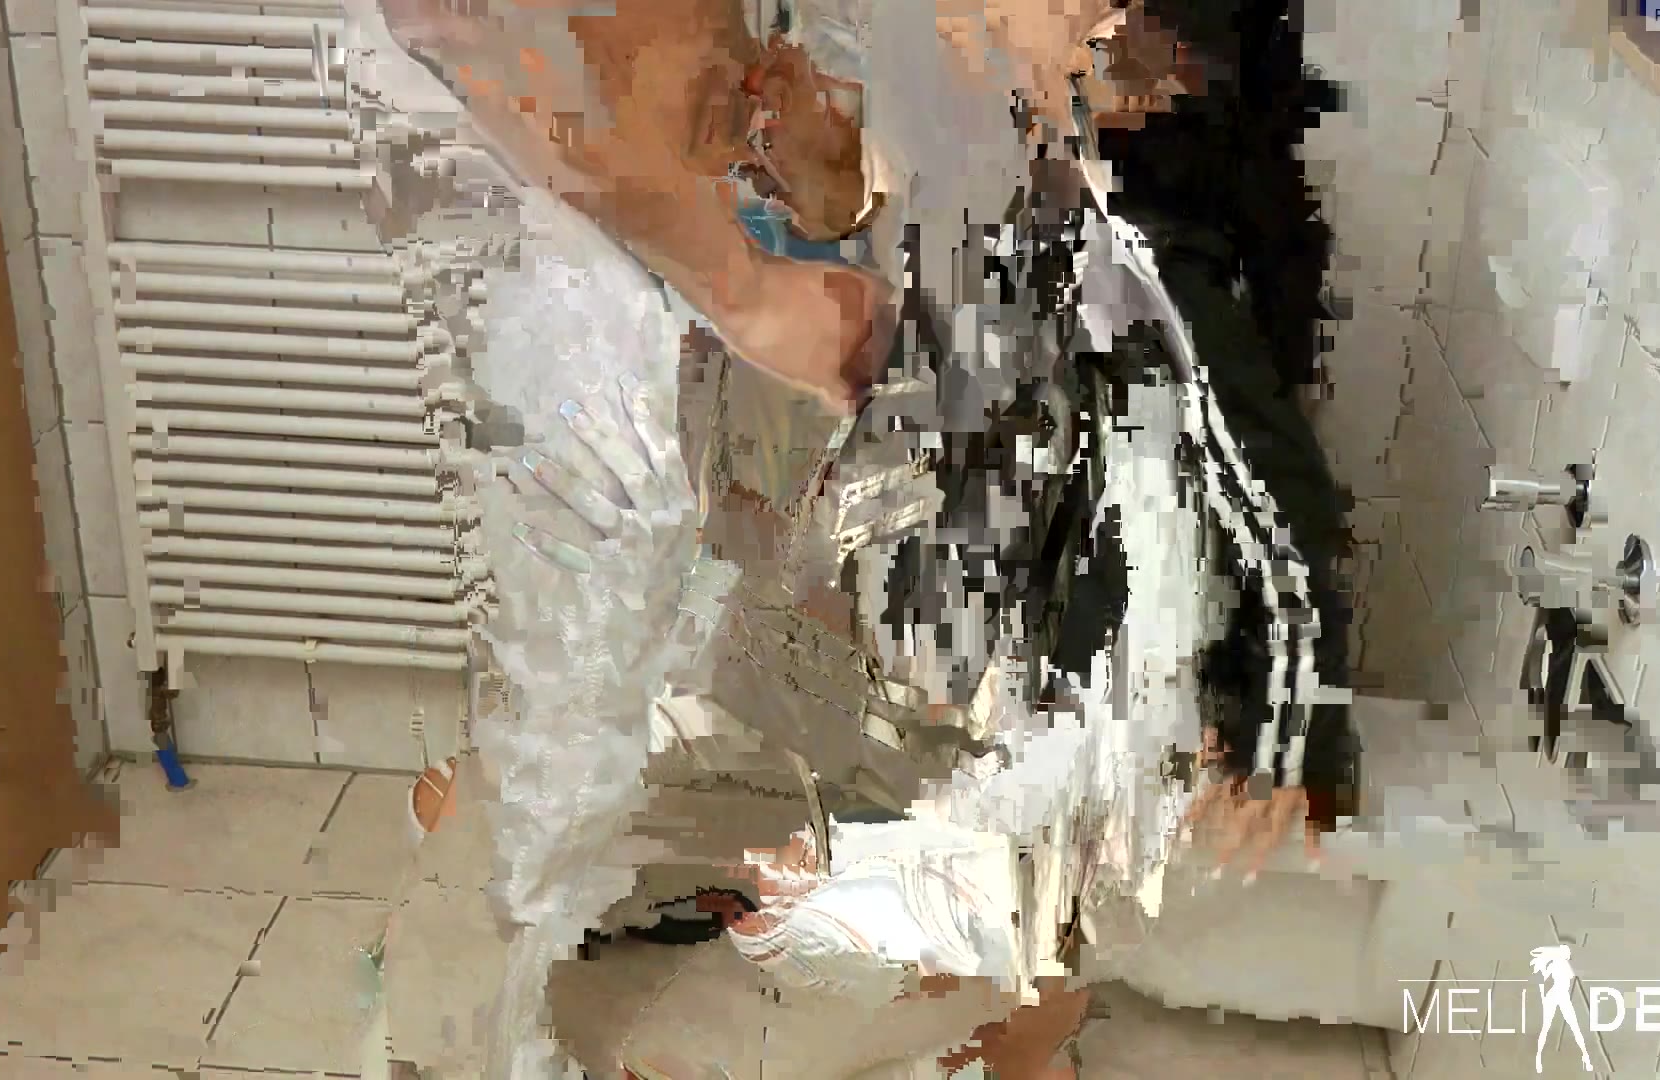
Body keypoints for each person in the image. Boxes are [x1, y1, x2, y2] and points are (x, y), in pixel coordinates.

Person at [349, 0, 1354, 1075]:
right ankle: (966, 992)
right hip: (942, 657)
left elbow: (1276, 505)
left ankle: (999, 1019)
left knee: (830, 911)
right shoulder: (1015, 187)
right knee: (550, 792)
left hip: (1052, 717)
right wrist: (834, 200)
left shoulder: (1140, 264)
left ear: (1116, 54)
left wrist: (1289, 737)